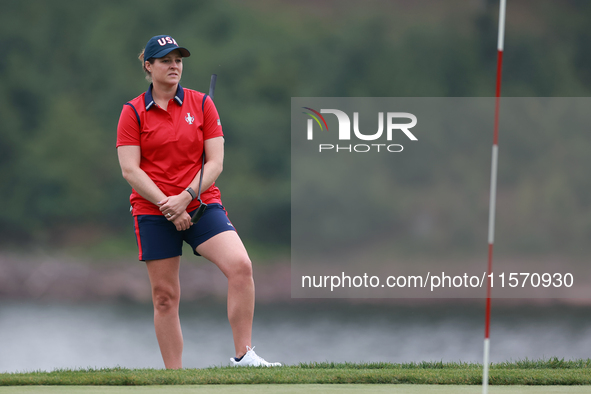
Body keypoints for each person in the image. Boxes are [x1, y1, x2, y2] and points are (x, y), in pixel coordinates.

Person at [116, 35, 280, 369]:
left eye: (178, 59)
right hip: (153, 209)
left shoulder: (202, 103)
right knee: (165, 297)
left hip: (200, 203)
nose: (174, 65)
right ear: (148, 66)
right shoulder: (132, 112)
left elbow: (216, 163)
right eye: (165, 60)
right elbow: (130, 170)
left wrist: (186, 197)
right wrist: (167, 204)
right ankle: (175, 378)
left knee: (241, 267)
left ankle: (243, 355)